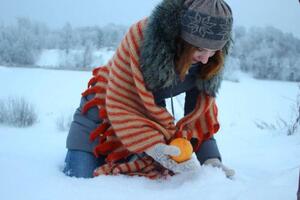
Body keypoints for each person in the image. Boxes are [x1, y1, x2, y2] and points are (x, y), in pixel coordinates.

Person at [63, 0, 235, 179]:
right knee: (81, 181)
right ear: (182, 38)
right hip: (98, 120)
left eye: (214, 50)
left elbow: (198, 114)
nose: (206, 58)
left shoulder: (208, 62)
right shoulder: (142, 40)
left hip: (142, 126)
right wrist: (151, 145)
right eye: (199, 49)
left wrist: (211, 159)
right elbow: (120, 101)